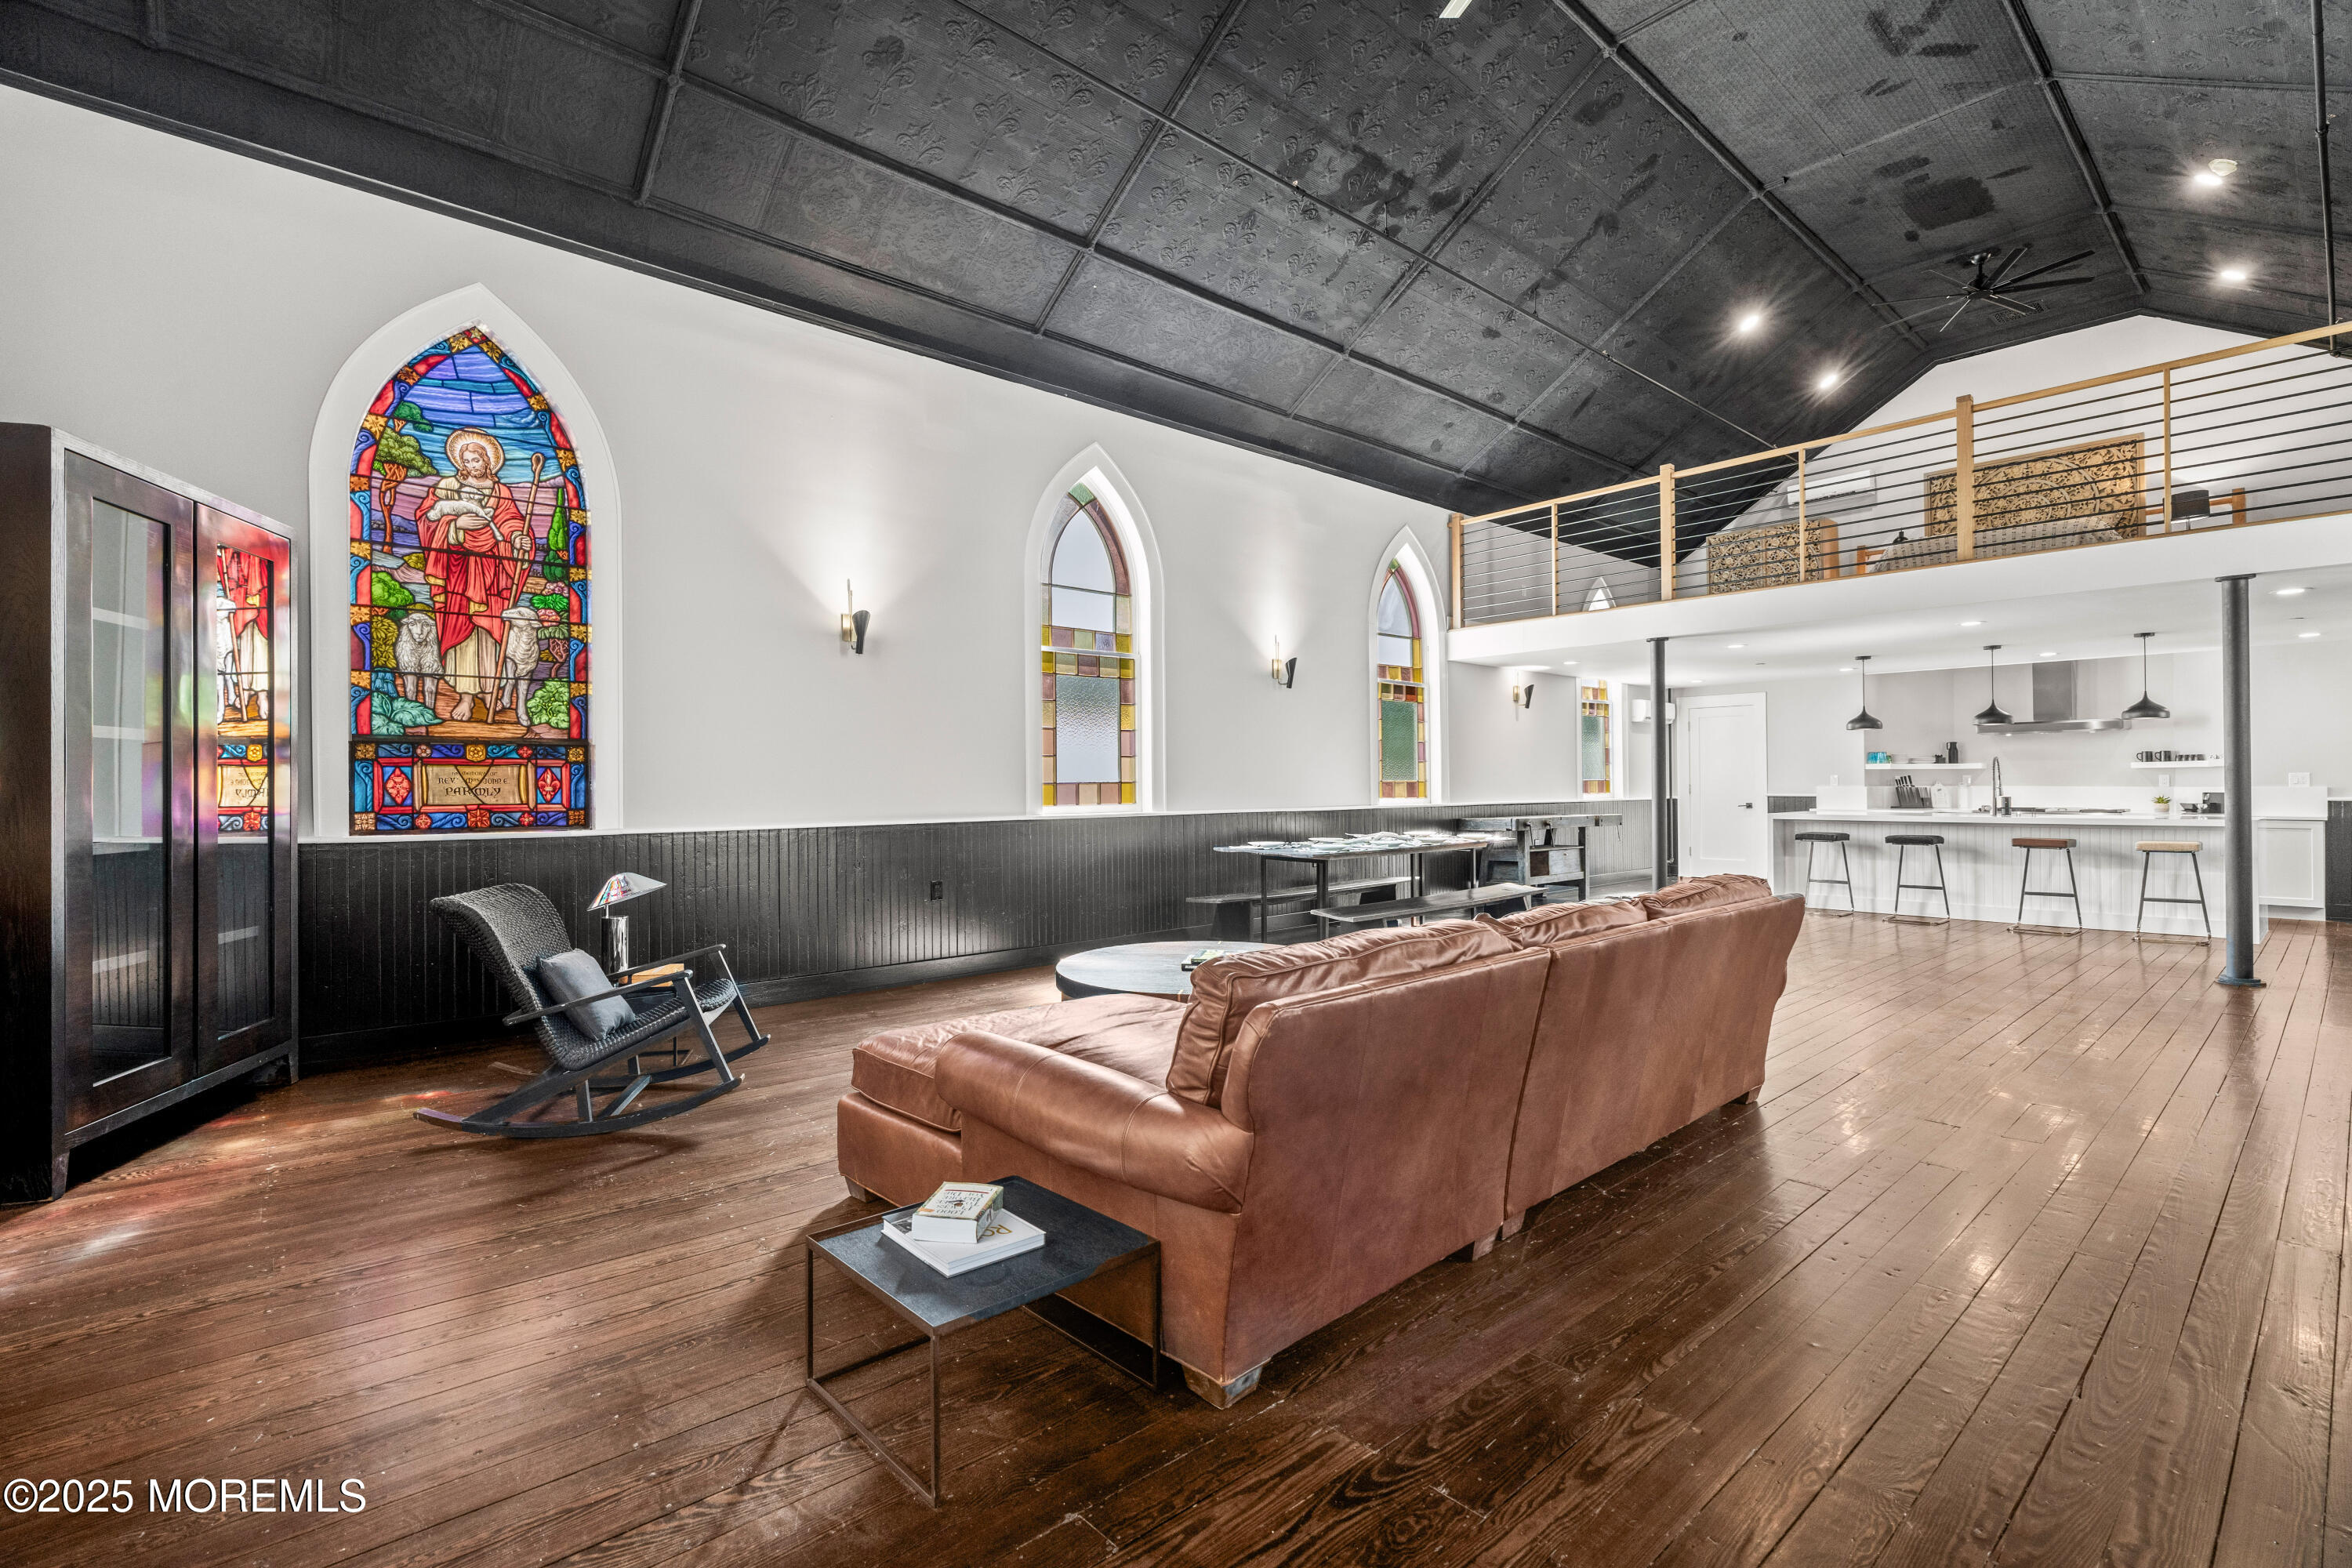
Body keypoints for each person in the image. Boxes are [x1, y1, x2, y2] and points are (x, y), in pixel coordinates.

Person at [418, 428, 538, 724]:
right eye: (468, 460)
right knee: (463, 633)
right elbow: (425, 520)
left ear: (488, 461)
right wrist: (456, 525)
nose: (473, 465)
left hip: (493, 573)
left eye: (478, 459)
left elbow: (511, 522)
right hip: (458, 571)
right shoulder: (446, 486)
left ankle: (490, 690)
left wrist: (517, 540)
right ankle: (466, 696)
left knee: (492, 632)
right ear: (461, 462)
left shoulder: (501, 492)